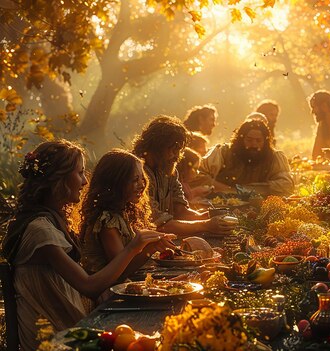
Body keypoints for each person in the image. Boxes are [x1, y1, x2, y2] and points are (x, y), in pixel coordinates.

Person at [0, 140, 164, 350]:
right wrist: (133, 247)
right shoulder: (40, 231)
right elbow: (90, 286)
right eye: (79, 173)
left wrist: (142, 250)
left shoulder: (51, 220)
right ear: (58, 179)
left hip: (73, 325)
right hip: (55, 338)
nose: (85, 181)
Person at [79, 149, 176, 279]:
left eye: (142, 178)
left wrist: (154, 244)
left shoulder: (124, 212)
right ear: (115, 183)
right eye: (135, 180)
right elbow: (121, 271)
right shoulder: (107, 221)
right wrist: (149, 248)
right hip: (108, 293)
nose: (142, 185)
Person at [133, 116, 235, 236]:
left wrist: (210, 216)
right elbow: (158, 224)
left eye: (179, 151)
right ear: (157, 147)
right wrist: (206, 224)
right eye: (173, 150)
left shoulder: (169, 170)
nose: (177, 156)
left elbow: (181, 211)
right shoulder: (136, 173)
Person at [199, 119, 294, 196]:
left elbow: (286, 185)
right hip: (220, 203)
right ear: (241, 139)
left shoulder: (274, 157)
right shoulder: (223, 152)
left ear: (265, 142)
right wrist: (229, 190)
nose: (254, 144)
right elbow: (200, 176)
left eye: (258, 141)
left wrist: (250, 190)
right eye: (249, 140)